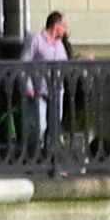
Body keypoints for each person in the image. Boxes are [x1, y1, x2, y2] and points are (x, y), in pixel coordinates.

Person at [18, 11, 73, 153]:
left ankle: (50, 156)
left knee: (55, 125)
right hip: (38, 90)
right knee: (39, 125)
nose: (65, 29)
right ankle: (33, 154)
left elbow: (65, 64)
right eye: (64, 26)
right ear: (56, 25)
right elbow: (24, 63)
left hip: (56, 90)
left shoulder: (60, 45)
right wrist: (27, 85)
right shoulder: (36, 39)